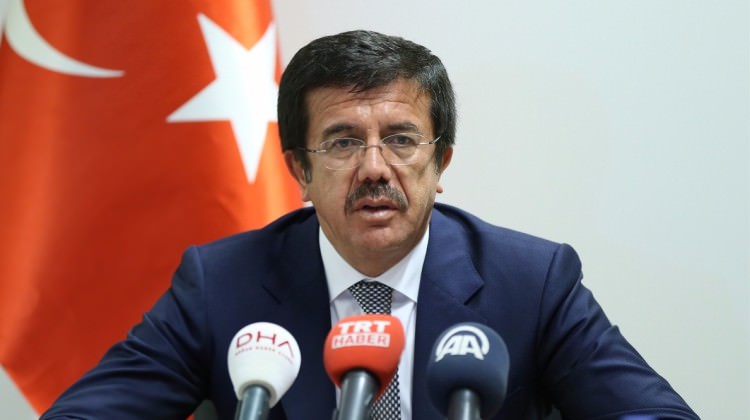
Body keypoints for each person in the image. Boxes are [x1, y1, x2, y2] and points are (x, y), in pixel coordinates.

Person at [41, 30, 697, 419]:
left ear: (440, 163)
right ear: (300, 170)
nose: (376, 168)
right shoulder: (220, 285)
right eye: (344, 142)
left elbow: (651, 413)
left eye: (402, 139)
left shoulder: (532, 281)